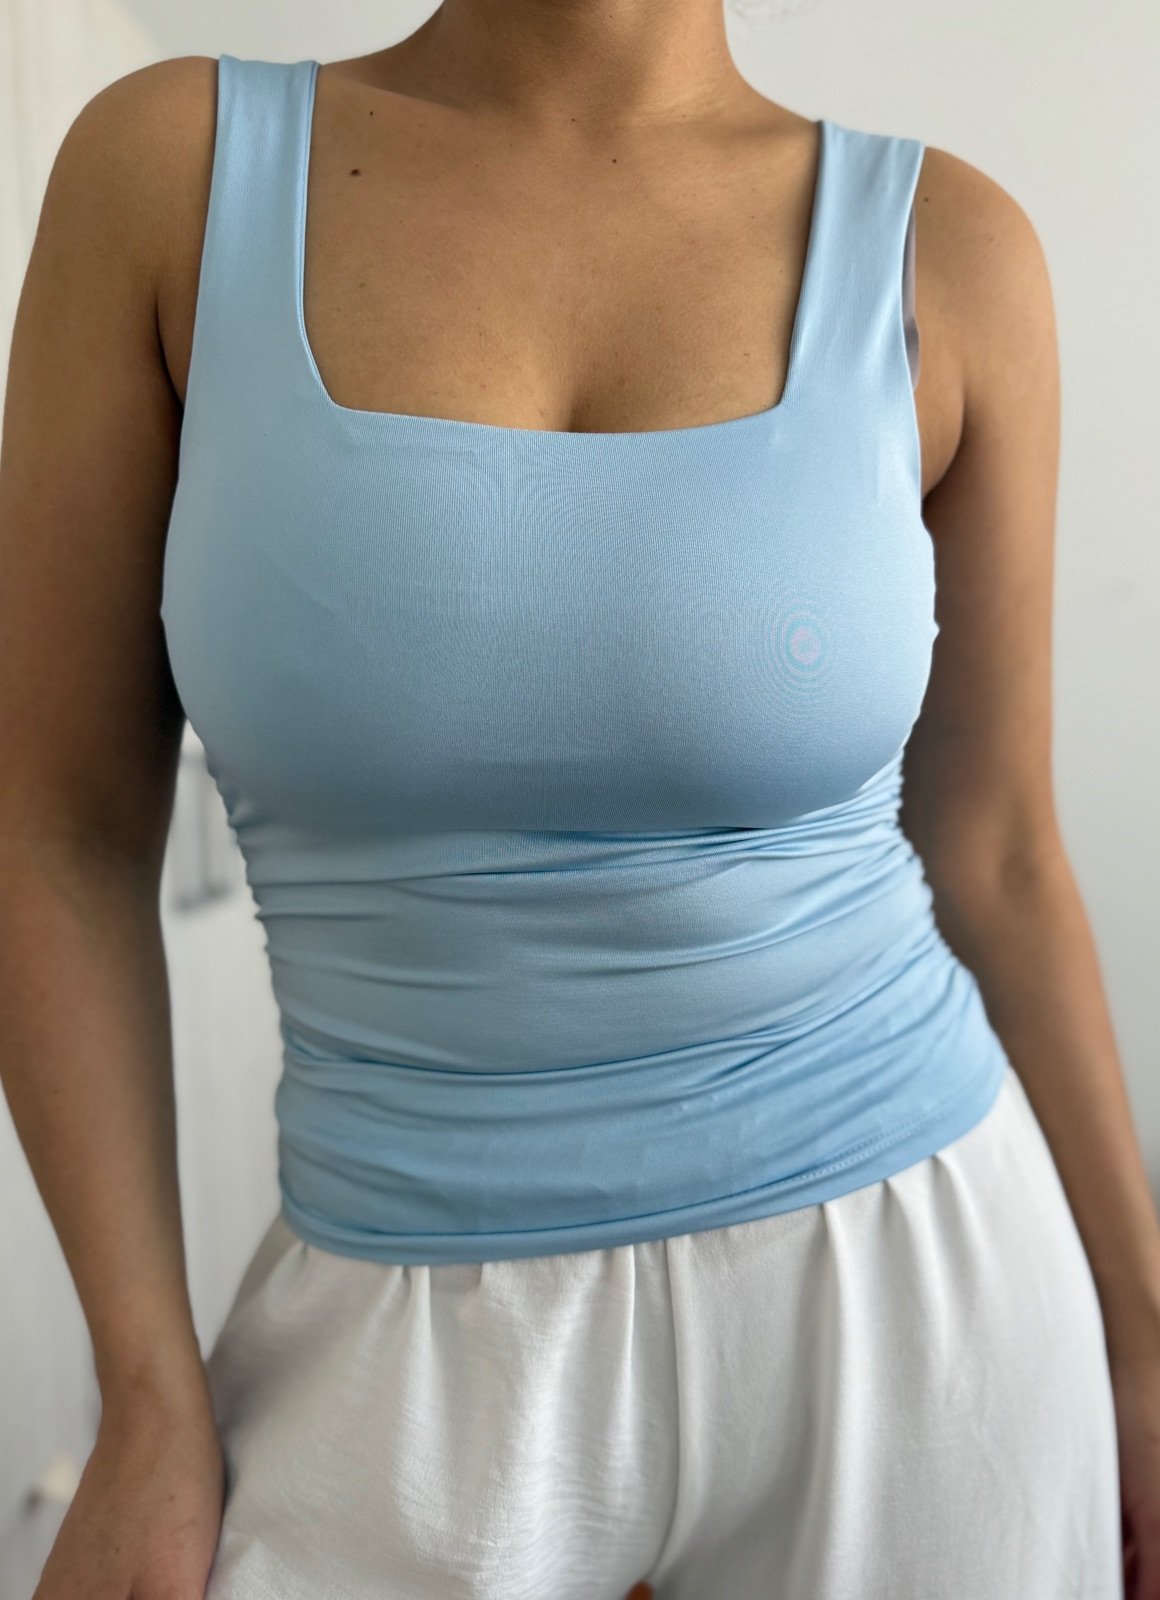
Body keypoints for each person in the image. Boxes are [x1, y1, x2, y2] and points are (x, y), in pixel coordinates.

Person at [3, 3, 1157, 1597]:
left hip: (922, 1279)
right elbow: (55, 830)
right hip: (394, 1294)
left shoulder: (953, 247)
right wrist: (142, 1391)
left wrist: (1143, 1341)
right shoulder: (172, 173)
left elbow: (1001, 849)